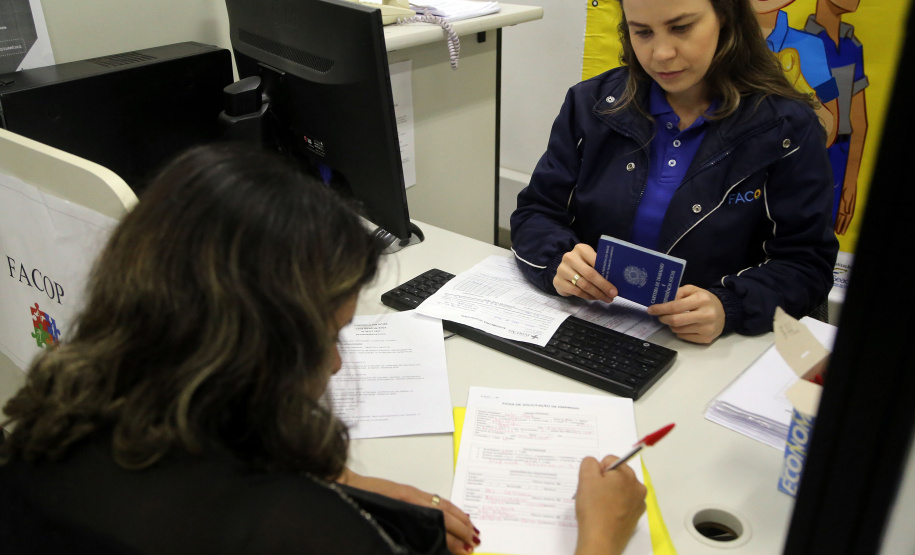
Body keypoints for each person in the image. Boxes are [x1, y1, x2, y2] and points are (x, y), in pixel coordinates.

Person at [0, 143, 646, 555]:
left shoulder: (41, 434)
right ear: (253, 350)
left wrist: (348, 482)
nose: (336, 362)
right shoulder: (299, 532)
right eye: (328, 337)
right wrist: (599, 536)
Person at [510, 0, 839, 344]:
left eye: (681, 28)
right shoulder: (590, 104)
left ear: (725, 18)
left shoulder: (787, 129)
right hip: (595, 326)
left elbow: (805, 265)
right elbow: (535, 212)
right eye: (643, 32)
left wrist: (729, 306)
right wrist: (557, 261)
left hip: (709, 350)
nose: (661, 53)